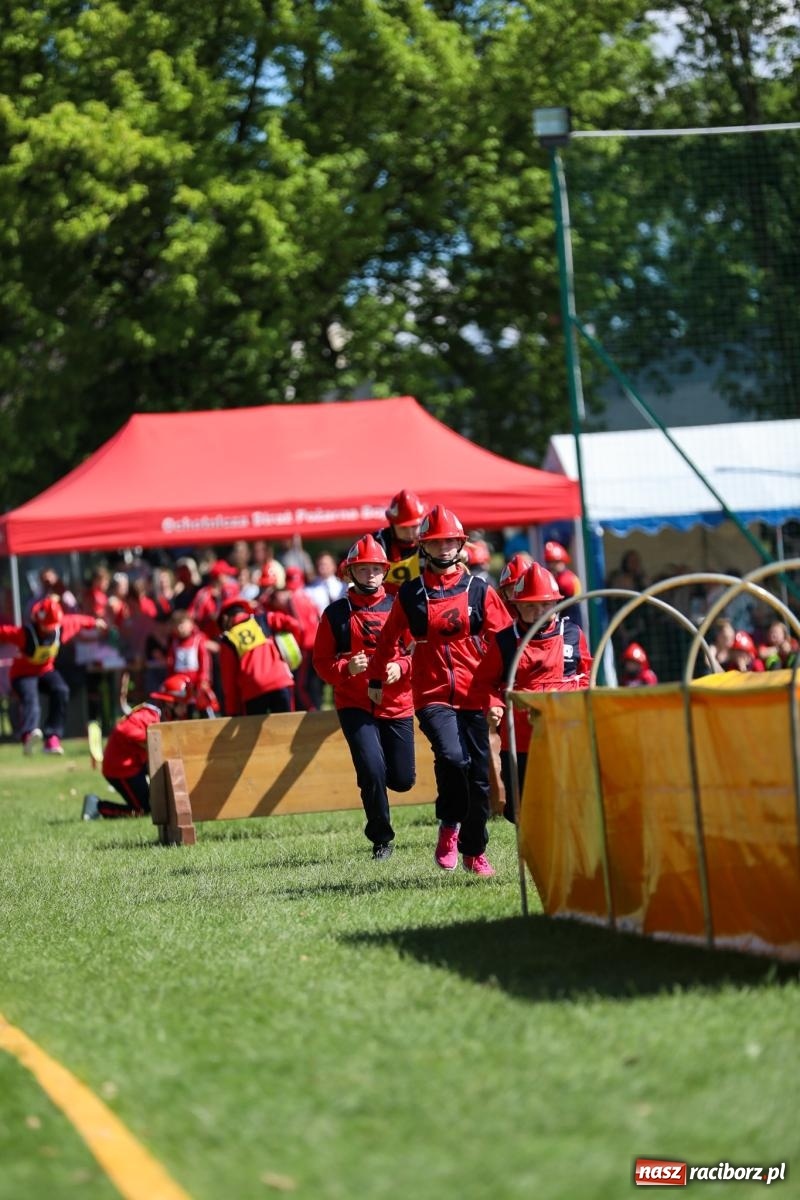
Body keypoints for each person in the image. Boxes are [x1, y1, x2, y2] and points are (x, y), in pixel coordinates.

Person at [368, 504, 509, 876]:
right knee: (452, 758)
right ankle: (449, 825)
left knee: (479, 779)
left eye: (450, 541)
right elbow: (387, 641)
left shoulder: (480, 590)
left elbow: (506, 640)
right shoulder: (411, 593)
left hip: (474, 693)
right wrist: (377, 680)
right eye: (437, 542)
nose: (445, 548)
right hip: (430, 695)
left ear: (459, 545)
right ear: (424, 547)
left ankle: (474, 852)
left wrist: (502, 690)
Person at [313, 535, 415, 860]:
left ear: (384, 571)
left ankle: (388, 780)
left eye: (375, 568)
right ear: (350, 573)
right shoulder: (335, 614)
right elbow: (321, 662)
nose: (370, 573)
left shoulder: (401, 605)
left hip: (397, 703)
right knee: (371, 770)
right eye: (363, 568)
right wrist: (346, 667)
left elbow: (419, 650)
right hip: (355, 705)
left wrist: (402, 665)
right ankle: (381, 840)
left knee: (401, 779)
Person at [471, 562, 591, 822]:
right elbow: (483, 682)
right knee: (517, 808)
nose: (538, 613)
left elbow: (587, 675)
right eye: (530, 606)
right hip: (521, 739)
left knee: (568, 797)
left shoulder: (572, 634)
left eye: (545, 606)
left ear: (556, 604)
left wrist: (580, 698)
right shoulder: (504, 641)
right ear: (516, 607)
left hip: (565, 731)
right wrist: (493, 705)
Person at [0, 596, 106, 754]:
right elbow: (4, 632)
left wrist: (94, 622)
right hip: (22, 675)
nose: (49, 630)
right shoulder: (24, 634)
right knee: (31, 699)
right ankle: (29, 735)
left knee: (61, 690)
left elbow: (77, 621)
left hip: (45, 671)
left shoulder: (61, 628)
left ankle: (52, 738)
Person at [81, 674, 193, 819]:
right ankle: (97, 807)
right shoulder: (149, 715)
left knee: (152, 804)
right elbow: (123, 729)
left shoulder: (165, 716)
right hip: (121, 768)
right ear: (170, 703)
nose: (185, 709)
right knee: (142, 810)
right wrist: (151, 739)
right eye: (182, 705)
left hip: (137, 765)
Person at [217, 596, 299, 716]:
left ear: (225, 619)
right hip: (281, 681)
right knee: (288, 729)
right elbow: (293, 623)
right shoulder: (264, 619)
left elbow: (229, 682)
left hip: (253, 691)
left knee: (255, 734)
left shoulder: (228, 639)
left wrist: (232, 711)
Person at [373, 488, 427, 594]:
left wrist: (467, 555)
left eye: (414, 527)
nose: (410, 533)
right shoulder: (377, 542)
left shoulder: (429, 538)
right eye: (403, 528)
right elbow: (344, 569)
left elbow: (467, 550)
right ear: (392, 524)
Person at [543, 540, 583, 625]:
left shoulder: (567, 579)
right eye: (549, 562)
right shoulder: (555, 578)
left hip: (570, 617)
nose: (552, 565)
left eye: (555, 562)